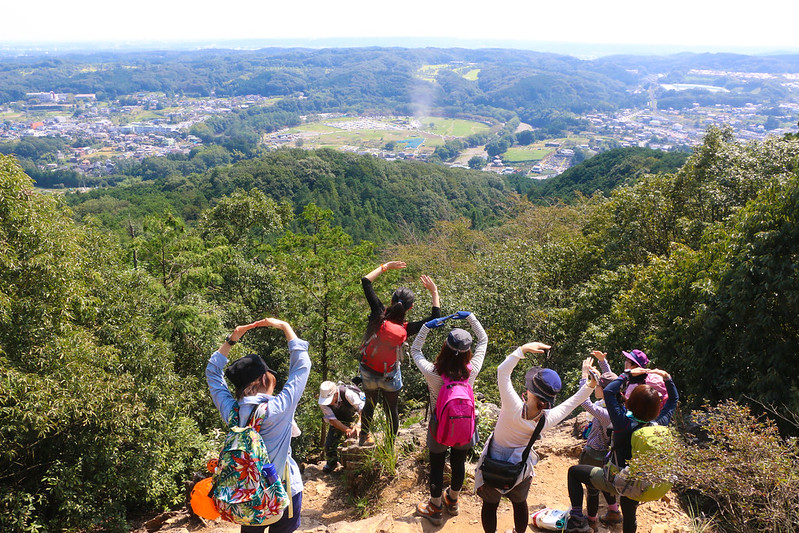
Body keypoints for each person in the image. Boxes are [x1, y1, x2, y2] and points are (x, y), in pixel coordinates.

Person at [474, 342, 596, 533]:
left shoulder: (512, 406)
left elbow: (502, 371)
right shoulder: (548, 419)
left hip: (492, 463)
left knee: (490, 505)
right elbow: (574, 402)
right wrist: (590, 383)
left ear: (529, 390)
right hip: (519, 469)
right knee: (519, 503)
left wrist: (522, 350)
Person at [206, 318, 310, 533]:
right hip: (282, 492)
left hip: (244, 496)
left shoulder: (232, 411)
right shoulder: (278, 408)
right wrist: (285, 327)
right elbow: (302, 366)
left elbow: (213, 373)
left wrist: (231, 340)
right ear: (262, 380)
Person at [564, 367, 679, 533]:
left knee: (574, 472)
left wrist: (627, 374)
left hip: (616, 480)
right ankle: (614, 513)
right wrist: (667, 377)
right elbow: (673, 400)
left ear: (630, 402)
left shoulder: (623, 423)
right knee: (629, 514)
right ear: (656, 409)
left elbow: (609, 392)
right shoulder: (658, 424)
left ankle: (576, 520)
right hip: (639, 483)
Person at [411, 311, 488, 525]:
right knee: (458, 463)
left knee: (436, 465)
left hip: (439, 426)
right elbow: (483, 339)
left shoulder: (433, 372)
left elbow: (415, 350)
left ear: (445, 347)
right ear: (467, 352)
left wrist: (426, 327)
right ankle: (452, 501)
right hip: (464, 425)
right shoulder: (472, 371)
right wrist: (471, 317)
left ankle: (435, 507)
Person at [358, 261, 440, 445]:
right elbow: (436, 317)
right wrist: (434, 292)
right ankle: (389, 445)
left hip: (368, 370)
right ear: (410, 308)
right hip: (390, 375)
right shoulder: (406, 328)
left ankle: (364, 437)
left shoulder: (378, 315)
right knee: (392, 410)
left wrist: (385, 266)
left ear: (392, 301)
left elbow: (366, 281)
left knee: (369, 404)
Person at [576, 356, 619, 529]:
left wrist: (584, 376)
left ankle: (591, 522)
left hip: (594, 454)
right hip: (606, 456)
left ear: (605, 390)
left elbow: (583, 402)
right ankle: (614, 511)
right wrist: (603, 363)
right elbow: (613, 380)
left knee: (592, 489)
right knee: (605, 484)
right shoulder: (617, 407)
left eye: (598, 384)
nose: (595, 386)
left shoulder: (604, 413)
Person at [318, 380, 365, 473]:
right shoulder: (322, 403)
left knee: (361, 440)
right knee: (329, 445)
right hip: (339, 419)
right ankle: (332, 463)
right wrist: (347, 429)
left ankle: (361, 465)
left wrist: (358, 425)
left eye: (330, 399)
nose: (328, 403)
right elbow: (332, 420)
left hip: (356, 416)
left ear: (336, 394)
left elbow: (363, 410)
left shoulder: (348, 394)